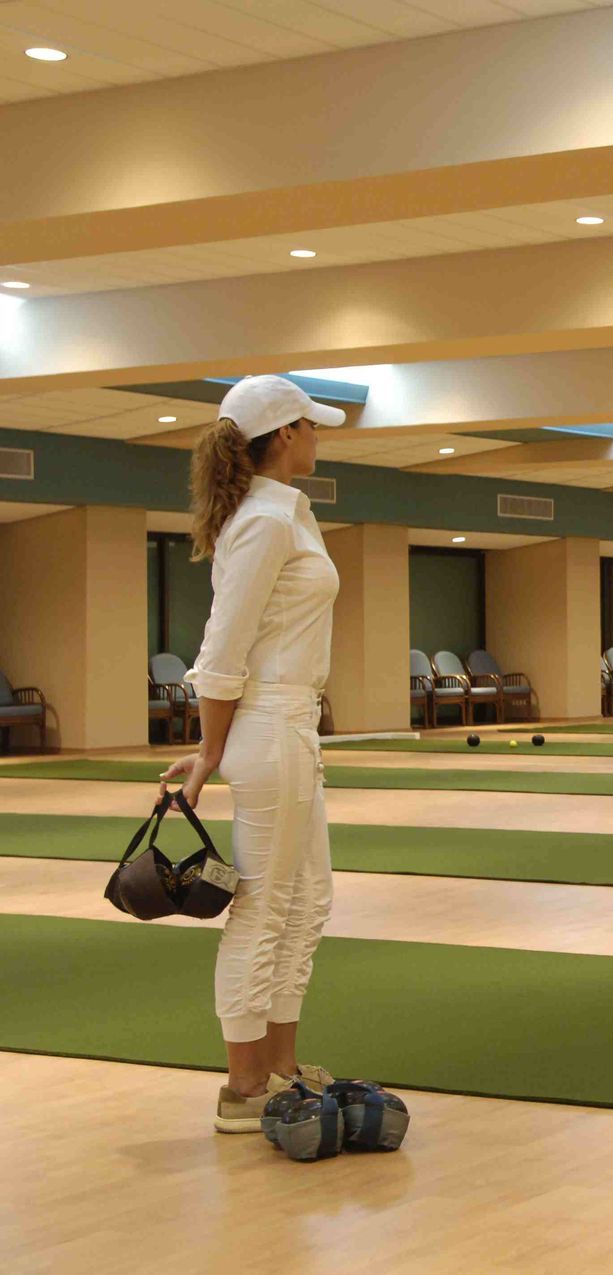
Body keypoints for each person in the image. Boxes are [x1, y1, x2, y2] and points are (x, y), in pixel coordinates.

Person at [158, 375, 345, 1133]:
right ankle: (242, 1088)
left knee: (307, 900)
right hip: (268, 725)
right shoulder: (264, 523)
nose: (317, 436)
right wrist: (210, 748)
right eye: (310, 425)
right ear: (284, 436)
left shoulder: (284, 513)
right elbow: (222, 649)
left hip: (291, 723)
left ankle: (279, 1067)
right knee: (264, 906)